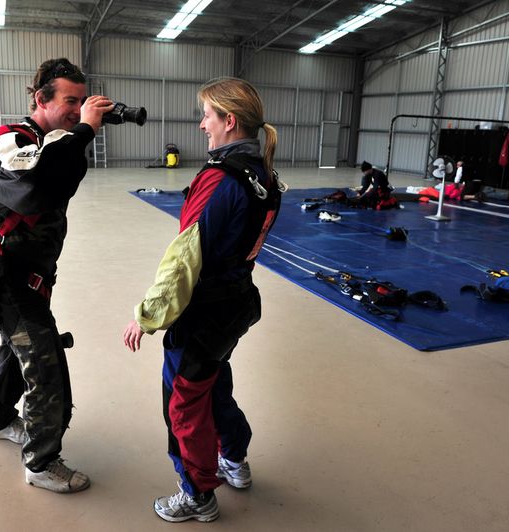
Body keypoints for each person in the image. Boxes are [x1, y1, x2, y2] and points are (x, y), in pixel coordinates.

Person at [122, 77, 285, 523]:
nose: (201, 124)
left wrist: (148, 316)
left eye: (208, 116)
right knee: (212, 381)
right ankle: (234, 457)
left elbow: (183, 261)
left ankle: (197, 493)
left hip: (203, 311)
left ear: (229, 121)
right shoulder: (263, 175)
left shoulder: (219, 180)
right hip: (236, 305)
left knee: (183, 399)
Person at [0, 58, 113, 493]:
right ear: (41, 99)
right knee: (45, 363)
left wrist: (76, 134)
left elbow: (60, 178)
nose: (78, 109)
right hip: (9, 277)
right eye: (70, 101)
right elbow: (32, 192)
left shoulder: (54, 142)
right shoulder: (9, 142)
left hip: (34, 276)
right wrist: (85, 130)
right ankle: (41, 463)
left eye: (81, 101)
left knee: (15, 349)